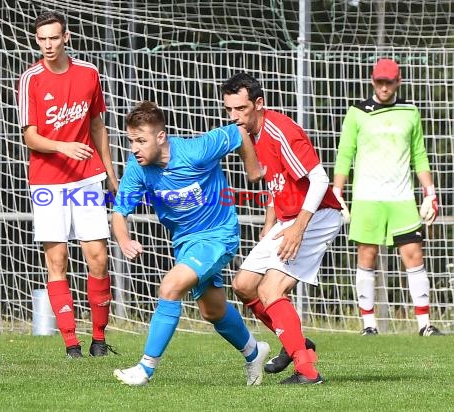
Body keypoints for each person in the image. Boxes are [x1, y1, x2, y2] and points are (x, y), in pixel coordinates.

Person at [111, 101, 269, 386]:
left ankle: (145, 369)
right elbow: (119, 212)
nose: (135, 148)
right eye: (131, 140)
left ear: (161, 137)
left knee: (170, 286)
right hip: (185, 242)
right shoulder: (137, 168)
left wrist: (253, 168)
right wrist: (124, 240)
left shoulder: (196, 151)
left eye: (141, 140)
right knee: (213, 310)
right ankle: (254, 352)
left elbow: (239, 131)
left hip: (219, 235)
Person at [221, 73, 342, 384]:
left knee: (270, 289)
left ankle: (307, 370)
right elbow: (278, 185)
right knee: (244, 284)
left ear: (259, 104)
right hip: (289, 219)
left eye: (241, 109)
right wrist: (269, 223)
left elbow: (319, 180)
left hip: (318, 216)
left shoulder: (280, 130)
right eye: (229, 110)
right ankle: (295, 343)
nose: (234, 117)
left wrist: (299, 229)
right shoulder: (252, 135)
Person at [17, 11, 119, 358]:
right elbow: (30, 137)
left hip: (87, 177)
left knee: (98, 258)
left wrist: (111, 172)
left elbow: (97, 125)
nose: (48, 45)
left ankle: (100, 339)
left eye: (53, 38)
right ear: (37, 40)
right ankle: (71, 344)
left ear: (66, 37)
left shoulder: (89, 73)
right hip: (48, 181)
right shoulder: (31, 79)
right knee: (57, 259)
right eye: (42, 39)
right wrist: (62, 146)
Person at [333, 58, 443, 337]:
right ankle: (368, 325)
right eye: (379, 81)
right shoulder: (357, 112)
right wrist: (337, 191)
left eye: (389, 82)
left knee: (414, 255)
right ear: (372, 80)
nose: (383, 87)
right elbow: (345, 153)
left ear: (398, 81)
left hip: (402, 197)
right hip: (368, 198)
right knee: (367, 256)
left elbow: (419, 155)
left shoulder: (410, 111)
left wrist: (430, 193)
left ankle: (424, 325)